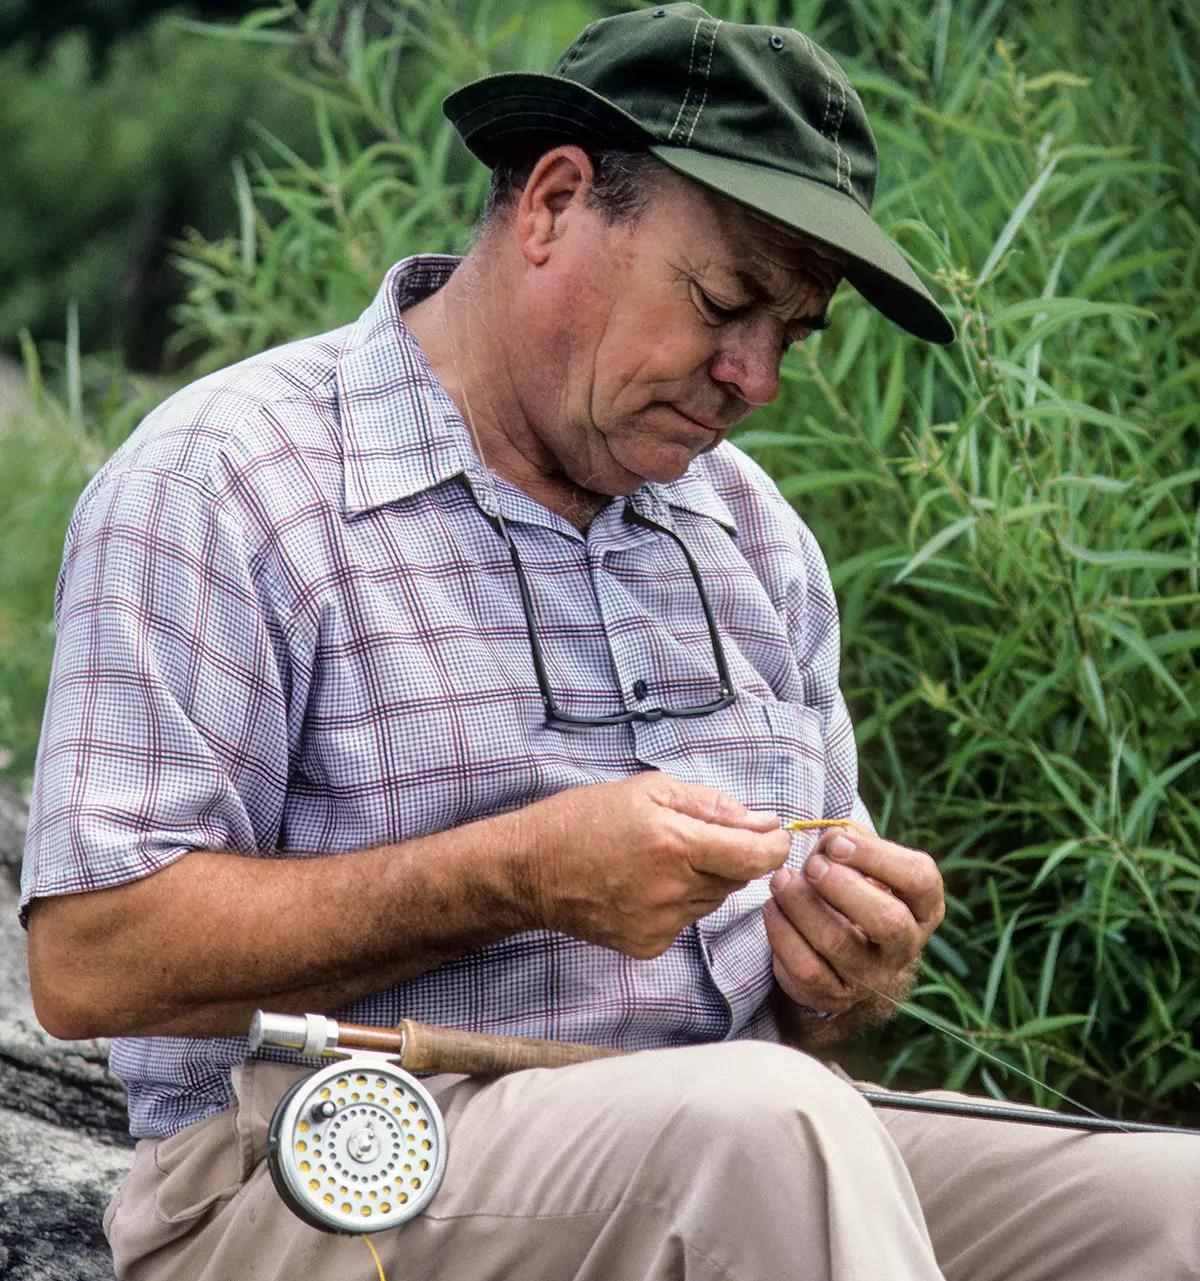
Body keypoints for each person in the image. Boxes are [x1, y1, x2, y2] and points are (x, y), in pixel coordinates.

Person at [20, 5, 1197, 1279]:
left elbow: (799, 1043)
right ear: (555, 203)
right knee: (774, 1135)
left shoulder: (756, 540)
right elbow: (89, 963)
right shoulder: (231, 478)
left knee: (1170, 1205)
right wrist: (513, 877)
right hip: (313, 1169)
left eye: (789, 333)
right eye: (725, 302)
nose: (757, 379)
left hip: (733, 1142)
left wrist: (841, 972)